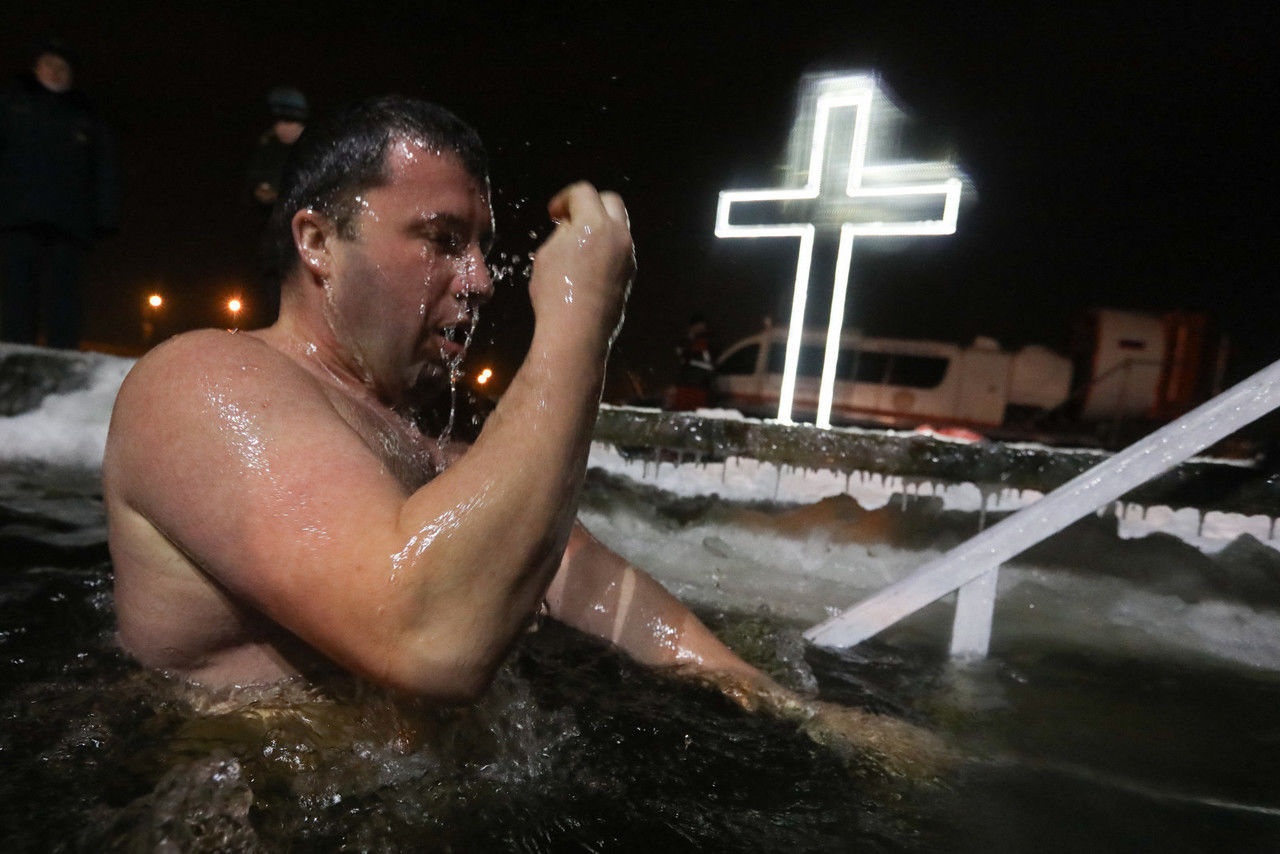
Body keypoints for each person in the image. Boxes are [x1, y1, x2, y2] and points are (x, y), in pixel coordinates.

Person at [103, 97, 943, 774]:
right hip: (244, 806)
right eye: (440, 240)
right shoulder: (203, 383)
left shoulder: (439, 455)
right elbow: (430, 640)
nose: (477, 281)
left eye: (482, 249)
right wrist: (580, 323)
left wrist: (809, 717)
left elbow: (621, 606)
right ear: (318, 241)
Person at [0, 38, 117, 348]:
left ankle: (63, 356)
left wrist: (105, 215)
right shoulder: (11, 101)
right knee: (17, 292)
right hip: (17, 217)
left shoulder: (86, 114)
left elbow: (105, 167)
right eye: (50, 65)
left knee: (65, 296)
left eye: (64, 68)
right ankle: (13, 353)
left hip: (69, 224)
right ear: (36, 67)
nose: (56, 72)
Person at [243, 86, 309, 327]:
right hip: (271, 236)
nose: (283, 127)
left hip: (302, 241)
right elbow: (253, 185)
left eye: (289, 121)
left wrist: (281, 195)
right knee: (272, 293)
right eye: (279, 121)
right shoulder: (268, 148)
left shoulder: (313, 150)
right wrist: (259, 193)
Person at [670, 311, 716, 409]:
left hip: (699, 387)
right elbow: (680, 354)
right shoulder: (689, 341)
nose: (699, 329)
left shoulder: (706, 341)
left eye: (701, 326)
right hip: (686, 386)